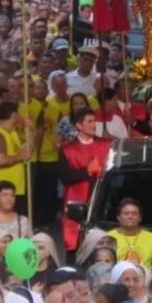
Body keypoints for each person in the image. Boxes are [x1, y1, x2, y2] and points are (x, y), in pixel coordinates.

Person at [59, 108, 111, 252]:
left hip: (101, 199)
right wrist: (87, 171)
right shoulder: (67, 149)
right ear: (79, 125)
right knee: (74, 244)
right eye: (89, 122)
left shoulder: (106, 145)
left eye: (95, 121)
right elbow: (64, 176)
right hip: (77, 201)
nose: (94, 125)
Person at [107, 199, 152, 272]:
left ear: (140, 218)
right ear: (118, 217)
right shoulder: (109, 237)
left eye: (134, 214)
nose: (130, 217)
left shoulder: (151, 238)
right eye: (126, 213)